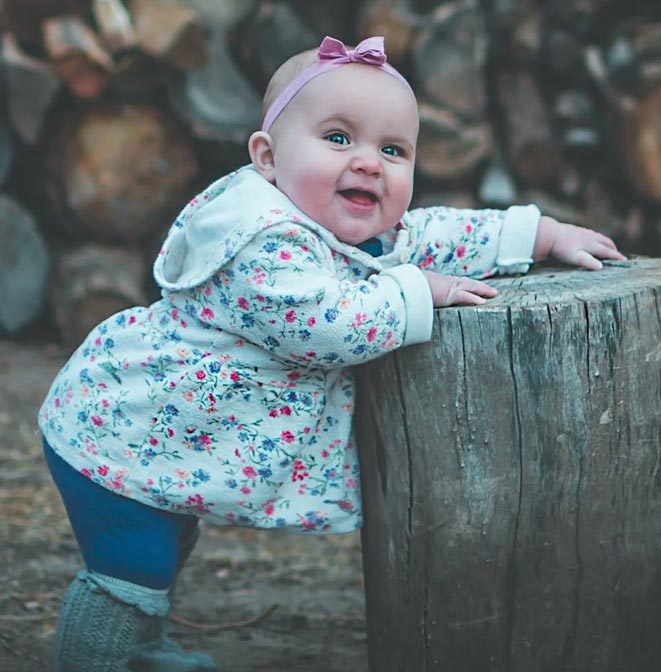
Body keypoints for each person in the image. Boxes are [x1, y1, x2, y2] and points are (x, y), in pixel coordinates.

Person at [38, 35, 626, 671]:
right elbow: (328, 326)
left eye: (393, 149)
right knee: (132, 570)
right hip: (120, 429)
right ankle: (95, 659)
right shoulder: (260, 241)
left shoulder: (341, 224)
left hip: (167, 438)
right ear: (267, 156)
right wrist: (415, 292)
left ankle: (141, 652)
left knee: (166, 547)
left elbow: (429, 234)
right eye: (339, 138)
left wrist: (538, 233)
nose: (369, 162)